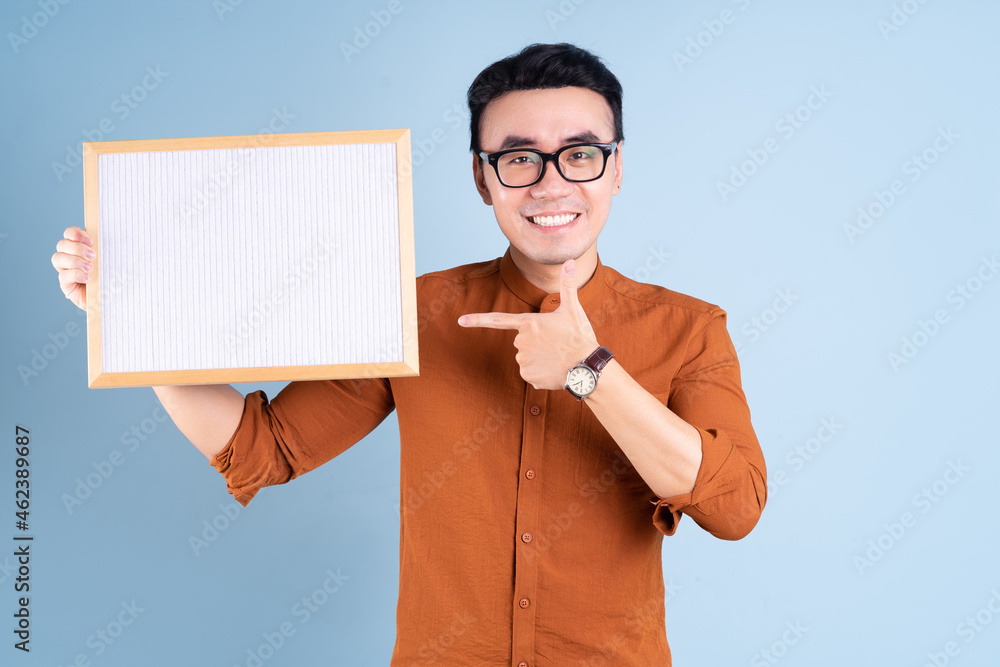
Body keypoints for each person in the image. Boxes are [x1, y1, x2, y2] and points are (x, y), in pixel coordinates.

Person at [52, 43, 767, 666]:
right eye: (520, 158)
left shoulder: (690, 328)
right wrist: (129, 318)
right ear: (483, 178)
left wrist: (589, 370)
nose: (552, 183)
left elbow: (734, 506)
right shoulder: (414, 313)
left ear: (616, 169)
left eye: (580, 154)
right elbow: (257, 446)